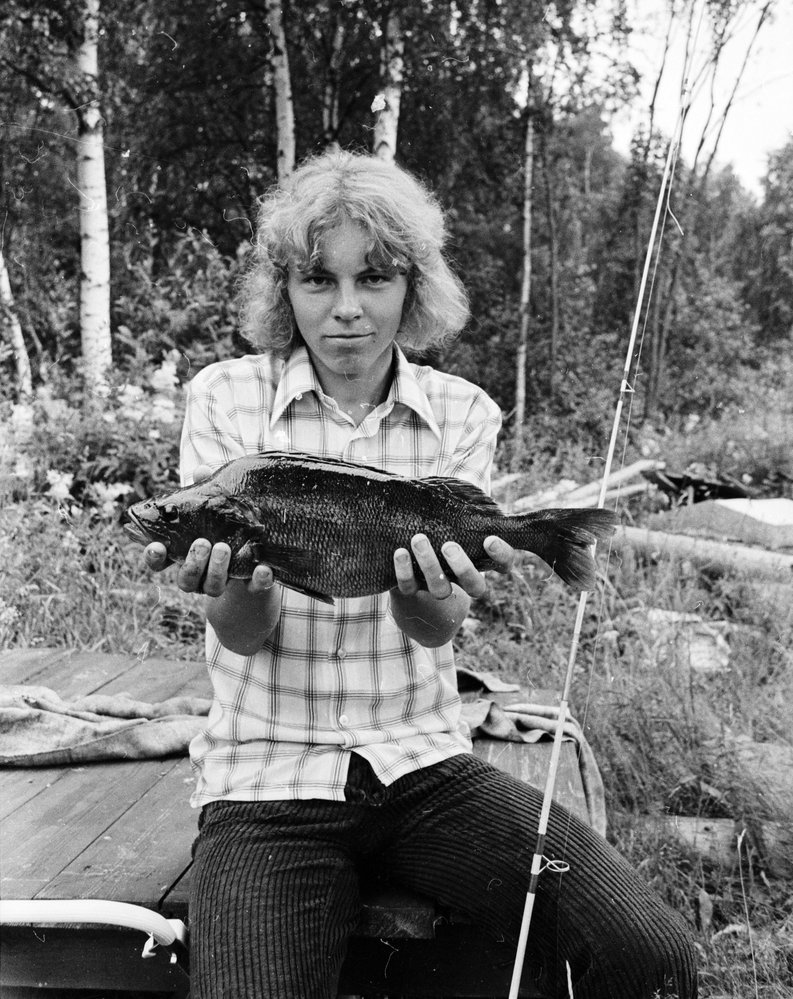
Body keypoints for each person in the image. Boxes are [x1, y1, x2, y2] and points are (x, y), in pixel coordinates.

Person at [145, 150, 697, 999]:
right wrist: (236, 584)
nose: (347, 310)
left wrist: (434, 591)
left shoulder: (462, 413)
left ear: (413, 286)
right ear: (283, 291)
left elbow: (433, 631)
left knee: (649, 954)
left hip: (423, 767)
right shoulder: (225, 399)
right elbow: (243, 634)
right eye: (317, 282)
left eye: (374, 278)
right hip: (266, 781)